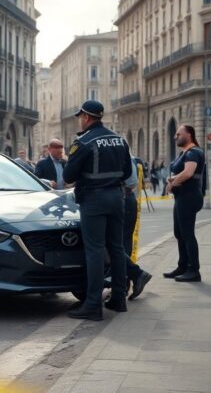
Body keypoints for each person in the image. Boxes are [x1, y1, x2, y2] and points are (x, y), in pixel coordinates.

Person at [63, 99, 131, 321]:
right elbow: (127, 171)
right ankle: (119, 298)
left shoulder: (83, 142)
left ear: (86, 117)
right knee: (117, 248)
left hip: (93, 200)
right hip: (116, 197)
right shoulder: (119, 140)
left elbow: (68, 176)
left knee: (94, 251)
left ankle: (93, 304)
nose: (80, 121)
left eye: (80, 117)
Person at [164, 125, 205, 282]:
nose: (175, 137)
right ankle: (182, 266)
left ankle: (194, 270)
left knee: (187, 234)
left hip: (189, 197)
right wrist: (173, 180)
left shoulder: (194, 152)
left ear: (189, 135)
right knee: (179, 233)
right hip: (182, 197)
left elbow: (188, 173)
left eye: (178, 134)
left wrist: (172, 183)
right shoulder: (185, 153)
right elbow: (181, 172)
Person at [122, 156, 152, 300]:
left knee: (115, 245)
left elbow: (131, 182)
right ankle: (124, 284)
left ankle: (134, 276)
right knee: (123, 245)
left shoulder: (124, 156)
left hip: (123, 200)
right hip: (126, 200)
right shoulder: (127, 156)